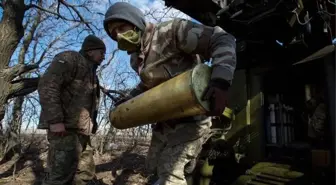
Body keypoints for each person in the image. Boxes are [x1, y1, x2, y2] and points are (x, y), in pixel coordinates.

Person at [103, 2, 237, 185]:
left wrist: (220, 81)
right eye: (113, 33)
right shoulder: (136, 59)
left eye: (121, 27)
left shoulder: (171, 31)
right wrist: (128, 99)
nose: (118, 35)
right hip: (165, 121)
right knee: (152, 168)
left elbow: (221, 39)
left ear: (135, 23)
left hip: (192, 116)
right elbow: (148, 85)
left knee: (170, 173)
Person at [37, 35, 106, 185]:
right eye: (102, 52)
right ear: (90, 51)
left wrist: (91, 126)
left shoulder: (91, 73)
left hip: (82, 133)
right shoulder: (70, 58)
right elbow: (48, 85)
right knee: (59, 177)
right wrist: (55, 120)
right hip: (64, 130)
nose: (104, 57)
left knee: (85, 175)